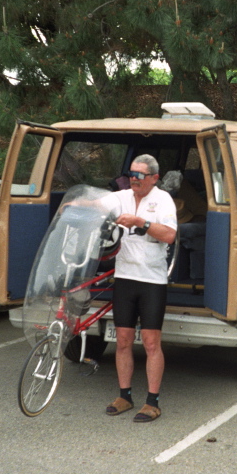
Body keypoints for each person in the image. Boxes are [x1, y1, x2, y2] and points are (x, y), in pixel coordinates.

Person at [103, 154, 177, 422]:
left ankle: (152, 401)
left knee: (150, 342)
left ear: (154, 178)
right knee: (122, 340)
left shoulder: (163, 199)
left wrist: (140, 223)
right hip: (124, 277)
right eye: (131, 174)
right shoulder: (121, 197)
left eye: (140, 175)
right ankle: (124, 396)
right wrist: (74, 204)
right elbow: (97, 203)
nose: (134, 179)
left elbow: (169, 235)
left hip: (152, 281)